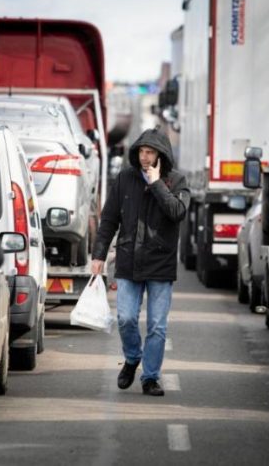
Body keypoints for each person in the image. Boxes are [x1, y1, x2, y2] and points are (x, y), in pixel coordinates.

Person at [91, 128, 190, 396]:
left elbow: (178, 212)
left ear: (161, 155)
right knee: (125, 318)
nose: (145, 157)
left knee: (157, 325)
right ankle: (133, 358)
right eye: (141, 152)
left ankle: (150, 377)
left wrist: (156, 183)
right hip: (128, 261)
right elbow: (110, 219)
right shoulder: (124, 178)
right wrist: (99, 254)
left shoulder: (177, 181)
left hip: (161, 263)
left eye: (150, 152)